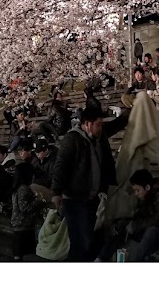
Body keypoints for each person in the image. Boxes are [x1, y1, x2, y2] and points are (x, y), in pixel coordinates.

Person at [51, 102, 125, 261]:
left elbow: (117, 125)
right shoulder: (72, 140)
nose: (101, 128)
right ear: (87, 124)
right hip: (75, 199)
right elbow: (61, 166)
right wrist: (56, 192)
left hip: (92, 198)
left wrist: (134, 109)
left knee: (91, 239)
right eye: (98, 125)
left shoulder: (99, 137)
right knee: (81, 241)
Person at [10, 158, 46, 260]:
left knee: (19, 254)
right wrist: (39, 201)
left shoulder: (17, 188)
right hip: (24, 225)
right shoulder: (23, 188)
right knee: (25, 253)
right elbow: (25, 208)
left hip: (20, 225)